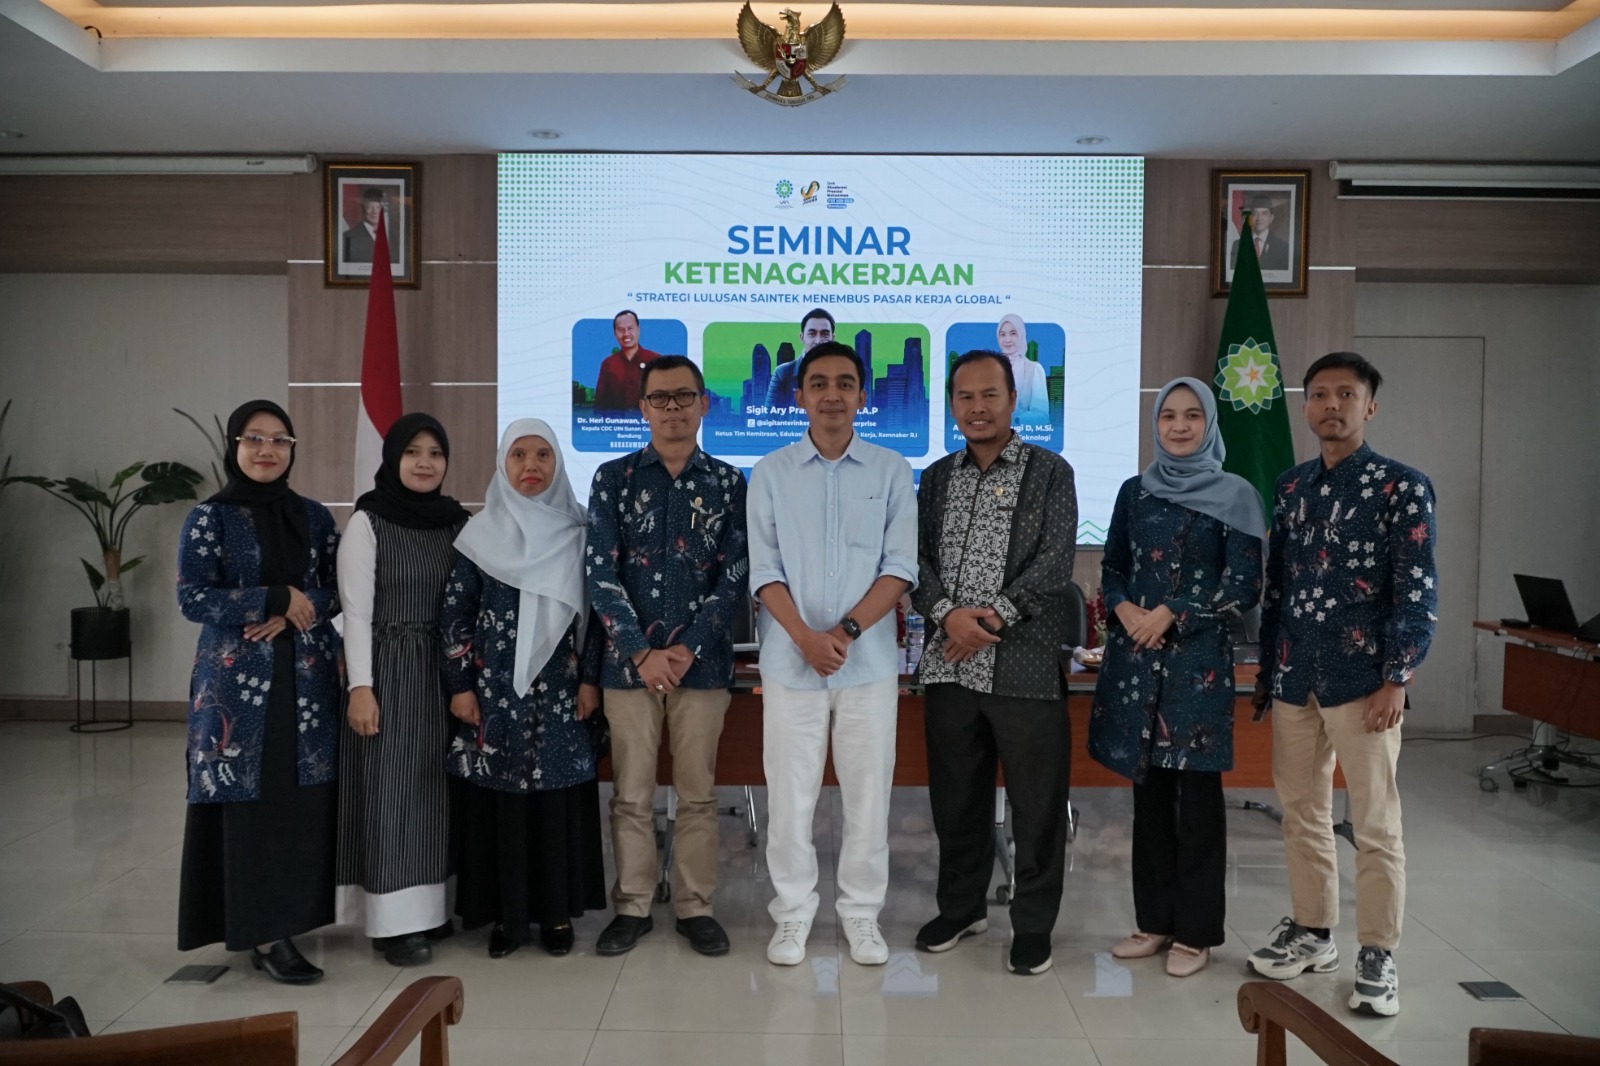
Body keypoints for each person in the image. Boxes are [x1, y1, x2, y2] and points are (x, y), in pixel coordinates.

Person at [1247, 351, 1437, 1018]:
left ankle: (1378, 953)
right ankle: (1313, 931)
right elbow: (1278, 589)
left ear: (1369, 406)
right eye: (1321, 394)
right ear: (1306, 406)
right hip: (1296, 676)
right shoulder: (1291, 487)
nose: (1333, 405)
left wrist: (1397, 677)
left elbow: (1417, 592)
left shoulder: (1402, 487)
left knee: (1376, 825)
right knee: (1302, 813)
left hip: (1365, 683)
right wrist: (1268, 674)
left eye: (1347, 395)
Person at [747, 340, 918, 967]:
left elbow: (899, 568)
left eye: (845, 383)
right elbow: (764, 569)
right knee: (790, 798)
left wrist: (842, 633)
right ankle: (792, 915)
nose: (832, 395)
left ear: (863, 396)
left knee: (868, 797)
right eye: (818, 383)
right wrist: (805, 637)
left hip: (866, 667)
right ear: (799, 396)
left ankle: (861, 915)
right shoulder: (770, 472)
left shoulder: (892, 471)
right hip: (790, 665)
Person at [1088, 378, 1265, 978]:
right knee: (1150, 799)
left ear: (1209, 424)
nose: (1180, 426)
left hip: (1197, 667)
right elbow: (1114, 565)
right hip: (1137, 660)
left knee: (1199, 804)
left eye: (1193, 415)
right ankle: (1154, 922)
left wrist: (1174, 612)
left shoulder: (1236, 495)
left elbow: (1244, 586)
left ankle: (1196, 932)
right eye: (1169, 416)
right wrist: (1122, 608)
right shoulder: (1134, 491)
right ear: (1156, 424)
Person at [913, 350, 1079, 976]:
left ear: (1013, 400)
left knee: (1036, 807)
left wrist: (987, 623)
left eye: (990, 395)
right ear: (951, 404)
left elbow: (1055, 564)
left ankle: (1032, 926)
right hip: (949, 666)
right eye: (965, 396)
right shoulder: (935, 478)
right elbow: (914, 561)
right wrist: (947, 614)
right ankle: (961, 909)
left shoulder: (1050, 471)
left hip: (1024, 669)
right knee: (957, 801)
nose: (977, 407)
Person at [586, 355, 749, 957]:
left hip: (700, 666)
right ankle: (631, 906)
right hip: (628, 668)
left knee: (697, 794)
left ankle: (694, 907)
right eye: (660, 398)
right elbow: (600, 573)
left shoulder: (729, 483)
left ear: (704, 404)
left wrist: (687, 646)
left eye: (684, 396)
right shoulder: (613, 478)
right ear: (643, 407)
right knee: (630, 794)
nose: (673, 407)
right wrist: (640, 652)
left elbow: (735, 575)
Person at [176, 400, 342, 985]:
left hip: (308, 679)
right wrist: (272, 598)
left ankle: (291, 918)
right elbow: (192, 597)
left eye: (279, 440)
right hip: (235, 688)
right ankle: (265, 934)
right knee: (249, 802)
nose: (267, 450)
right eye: (254, 439)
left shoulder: (315, 517)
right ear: (234, 446)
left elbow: (336, 589)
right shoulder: (209, 518)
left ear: (293, 449)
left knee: (298, 802)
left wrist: (298, 605)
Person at [441, 419, 607, 959]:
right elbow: (456, 616)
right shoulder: (479, 535)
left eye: (542, 454)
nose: (530, 465)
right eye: (518, 455)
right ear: (502, 464)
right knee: (502, 806)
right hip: (493, 695)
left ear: (557, 463)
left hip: (561, 692)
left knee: (556, 804)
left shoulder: (580, 532)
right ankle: (507, 919)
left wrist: (590, 681)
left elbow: (598, 618)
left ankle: (556, 915)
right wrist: (460, 687)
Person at [335, 413, 471, 967]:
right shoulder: (368, 522)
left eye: (435, 453)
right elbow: (356, 612)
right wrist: (361, 688)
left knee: (436, 792)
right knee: (391, 793)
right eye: (413, 451)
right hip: (388, 672)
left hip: (443, 672)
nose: (424, 463)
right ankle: (393, 925)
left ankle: (432, 912)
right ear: (393, 458)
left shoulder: (457, 523)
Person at [763, 308, 836, 411]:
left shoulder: (848, 373)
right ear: (802, 338)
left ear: (833, 339)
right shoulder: (782, 373)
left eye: (825, 334)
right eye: (812, 334)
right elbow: (767, 417)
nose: (818, 341)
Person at [593, 310, 661, 410]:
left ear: (638, 329)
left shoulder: (656, 360)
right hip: (616, 419)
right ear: (615, 333)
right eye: (621, 330)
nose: (626, 334)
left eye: (630, 328)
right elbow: (599, 404)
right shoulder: (608, 364)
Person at [995, 315, 1048, 422]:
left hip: (1022, 430)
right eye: (1002, 334)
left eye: (1013, 333)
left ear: (1021, 335)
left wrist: (1017, 421)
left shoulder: (1034, 369)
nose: (1007, 339)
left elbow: (1042, 415)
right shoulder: (990, 368)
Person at [1229, 195, 1290, 272]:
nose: (1259, 218)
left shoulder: (1283, 247)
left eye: (1264, 213)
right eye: (1255, 213)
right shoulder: (1237, 245)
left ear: (1271, 218)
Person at [344, 187, 384, 264]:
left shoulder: (392, 237)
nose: (374, 211)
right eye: (369, 207)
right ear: (362, 209)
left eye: (378, 207)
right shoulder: (349, 236)